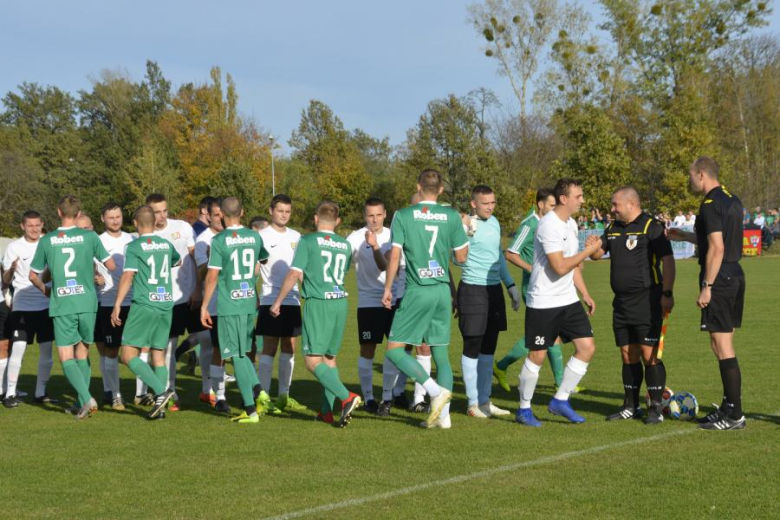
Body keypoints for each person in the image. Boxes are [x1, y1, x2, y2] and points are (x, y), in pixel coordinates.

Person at [381, 169, 470, 429]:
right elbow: (461, 258)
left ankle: (434, 391)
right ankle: (444, 419)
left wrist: (388, 288)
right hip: (442, 290)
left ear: (419, 186)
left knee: (394, 350)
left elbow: (395, 256)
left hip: (417, 289)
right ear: (441, 189)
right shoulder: (452, 216)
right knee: (440, 354)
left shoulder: (403, 215)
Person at [668, 156, 746, 430]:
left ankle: (734, 414)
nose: (690, 181)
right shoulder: (732, 198)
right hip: (735, 274)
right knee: (723, 342)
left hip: (720, 278)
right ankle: (728, 405)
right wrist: (686, 236)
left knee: (721, 345)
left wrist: (707, 286)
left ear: (701, 174)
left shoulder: (711, 203)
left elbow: (717, 248)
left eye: (691, 175)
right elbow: (720, 241)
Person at [515, 178, 601, 427]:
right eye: (579, 196)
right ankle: (524, 409)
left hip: (568, 300)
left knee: (587, 348)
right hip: (543, 301)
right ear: (564, 199)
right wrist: (587, 252)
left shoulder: (571, 224)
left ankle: (560, 400)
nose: (582, 200)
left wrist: (584, 293)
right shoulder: (548, 226)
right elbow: (561, 265)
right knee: (537, 356)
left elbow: (573, 265)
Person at [271, 201, 362, 427]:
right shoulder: (344, 244)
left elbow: (294, 273)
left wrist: (278, 301)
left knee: (312, 361)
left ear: (315, 218)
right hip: (340, 301)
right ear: (338, 221)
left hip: (318, 303)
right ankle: (326, 412)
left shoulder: (308, 241)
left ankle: (346, 397)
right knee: (329, 358)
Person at [589, 187, 675, 424]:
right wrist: (593, 246)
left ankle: (656, 406)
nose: (612, 209)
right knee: (628, 354)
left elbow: (668, 261)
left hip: (647, 300)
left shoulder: (651, 227)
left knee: (650, 355)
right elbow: (597, 255)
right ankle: (630, 405)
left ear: (631, 204)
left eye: (615, 204)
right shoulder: (613, 228)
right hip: (622, 302)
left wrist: (667, 292)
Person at [29, 195, 116, 419]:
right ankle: (81, 401)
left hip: (63, 303)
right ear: (78, 214)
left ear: (58, 212)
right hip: (87, 302)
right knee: (83, 352)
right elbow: (112, 265)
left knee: (66, 356)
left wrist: (46, 290)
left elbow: (33, 275)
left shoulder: (47, 240)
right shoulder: (89, 236)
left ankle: (86, 399)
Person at [202, 197, 270, 424]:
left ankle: (251, 410)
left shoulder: (219, 240)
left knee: (236, 355)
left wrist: (204, 306)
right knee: (243, 352)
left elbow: (212, 276)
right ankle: (260, 391)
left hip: (230, 304)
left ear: (220, 213)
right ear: (242, 212)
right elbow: (261, 261)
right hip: (249, 301)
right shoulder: (254, 236)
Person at [111, 205, 179, 420]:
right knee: (158, 355)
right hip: (166, 304)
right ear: (154, 222)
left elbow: (128, 275)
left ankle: (161, 390)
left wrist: (117, 304)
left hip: (145, 305)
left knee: (127, 355)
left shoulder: (134, 247)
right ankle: (160, 408)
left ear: (135, 223)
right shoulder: (166, 244)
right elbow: (177, 261)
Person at [457, 185, 519, 419]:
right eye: (485, 203)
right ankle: (472, 404)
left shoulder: (494, 223)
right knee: (472, 346)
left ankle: (484, 401)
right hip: (473, 289)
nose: (490, 207)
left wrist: (510, 285)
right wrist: (463, 230)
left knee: (489, 347)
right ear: (473, 204)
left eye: (493, 202)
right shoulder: (464, 226)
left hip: (494, 292)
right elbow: (456, 259)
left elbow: (498, 258)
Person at [496, 188, 565, 393]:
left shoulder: (550, 224)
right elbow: (510, 253)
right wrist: (531, 268)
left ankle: (561, 383)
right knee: (542, 334)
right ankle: (501, 366)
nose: (554, 210)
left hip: (550, 285)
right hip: (534, 286)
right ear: (540, 205)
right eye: (552, 206)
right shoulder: (529, 225)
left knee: (551, 334)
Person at [346, 197, 399, 414]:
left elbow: (384, 265)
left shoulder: (392, 235)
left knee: (394, 351)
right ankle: (368, 398)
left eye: (378, 214)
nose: (374, 219)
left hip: (393, 300)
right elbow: (341, 259)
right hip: (368, 303)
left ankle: (387, 397)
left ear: (385, 214)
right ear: (364, 216)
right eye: (370, 215)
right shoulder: (355, 238)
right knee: (367, 350)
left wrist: (375, 245)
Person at [147, 193, 199, 411]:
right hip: (164, 300)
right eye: (156, 212)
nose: (161, 216)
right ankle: (169, 391)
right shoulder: (144, 235)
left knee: (205, 339)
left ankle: (210, 391)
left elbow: (196, 258)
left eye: (164, 211)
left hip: (189, 296)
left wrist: (197, 288)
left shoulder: (183, 227)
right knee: (167, 347)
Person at [2, 211, 57, 407]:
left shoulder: (49, 243)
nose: (34, 229)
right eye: (30, 225)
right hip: (23, 306)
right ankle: (9, 393)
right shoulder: (14, 247)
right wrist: (10, 270)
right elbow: (6, 281)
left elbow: (51, 274)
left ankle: (40, 392)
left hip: (46, 305)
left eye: (37, 225)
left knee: (46, 351)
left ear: (42, 224)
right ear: (22, 226)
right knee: (17, 348)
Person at [257, 194, 305, 413]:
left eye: (287, 211)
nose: (284, 215)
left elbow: (302, 269)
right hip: (269, 298)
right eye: (280, 211)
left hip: (293, 299)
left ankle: (284, 395)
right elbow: (255, 267)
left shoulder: (298, 236)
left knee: (289, 346)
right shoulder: (261, 236)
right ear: (270, 211)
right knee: (268, 346)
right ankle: (264, 397)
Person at [95, 203, 134, 411]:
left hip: (133, 301)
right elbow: (89, 267)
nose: (116, 220)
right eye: (111, 217)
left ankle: (141, 393)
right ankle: (115, 395)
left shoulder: (132, 239)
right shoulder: (97, 241)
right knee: (111, 350)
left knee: (140, 347)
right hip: (109, 302)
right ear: (103, 219)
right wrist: (95, 277)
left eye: (118, 216)